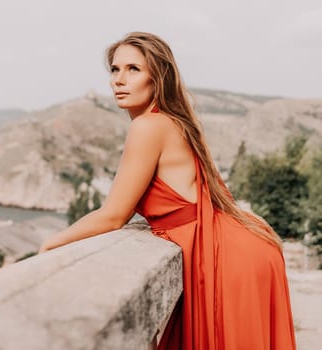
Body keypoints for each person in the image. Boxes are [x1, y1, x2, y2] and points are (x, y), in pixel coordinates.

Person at [38, 32, 296, 349]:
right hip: (239, 249)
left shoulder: (148, 126)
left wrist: (50, 246)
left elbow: (113, 215)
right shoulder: (174, 122)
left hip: (225, 259)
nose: (119, 80)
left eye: (133, 69)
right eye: (115, 70)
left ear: (157, 77)